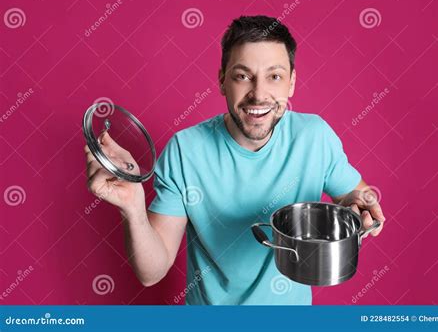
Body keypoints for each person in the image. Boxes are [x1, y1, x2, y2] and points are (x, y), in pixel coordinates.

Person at [84, 15, 385, 305]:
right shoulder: (185, 150)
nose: (259, 94)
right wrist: (133, 206)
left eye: (274, 77)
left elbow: (356, 196)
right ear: (222, 81)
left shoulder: (315, 137)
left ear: (291, 83)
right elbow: (152, 272)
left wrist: (364, 208)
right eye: (243, 76)